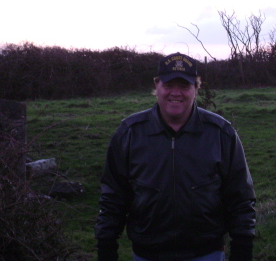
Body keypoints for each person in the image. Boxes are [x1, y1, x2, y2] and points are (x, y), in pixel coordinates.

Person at [95, 53, 256, 261]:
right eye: (169, 85)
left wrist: (243, 248)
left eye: (185, 86)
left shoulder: (220, 133)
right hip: (147, 254)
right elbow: (113, 197)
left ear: (196, 89)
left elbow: (241, 196)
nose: (176, 93)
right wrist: (106, 247)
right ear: (157, 86)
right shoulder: (130, 133)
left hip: (207, 253)